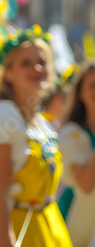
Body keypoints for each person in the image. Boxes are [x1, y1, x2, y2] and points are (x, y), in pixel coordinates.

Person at [0, 25, 72, 247]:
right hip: (15, 230)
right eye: (25, 63)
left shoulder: (41, 121)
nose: (36, 68)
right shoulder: (5, 115)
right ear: (8, 72)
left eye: (42, 61)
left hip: (48, 226)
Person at [58, 62, 95, 247]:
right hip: (75, 225)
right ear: (80, 93)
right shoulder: (72, 134)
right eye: (93, 86)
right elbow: (86, 187)